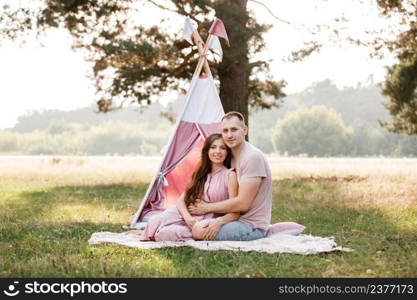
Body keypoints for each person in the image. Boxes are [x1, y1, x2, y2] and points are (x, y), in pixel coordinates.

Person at [137, 133, 239, 242]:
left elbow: (235, 212)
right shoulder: (201, 172)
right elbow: (181, 200)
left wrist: (217, 221)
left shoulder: (230, 175)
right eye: (213, 147)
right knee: (154, 221)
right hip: (184, 214)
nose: (217, 152)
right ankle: (148, 232)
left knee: (164, 234)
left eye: (222, 148)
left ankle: (156, 233)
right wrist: (188, 217)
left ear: (227, 152)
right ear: (207, 151)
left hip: (203, 221)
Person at [188, 111, 272, 241]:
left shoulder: (252, 158)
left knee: (199, 232)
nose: (229, 135)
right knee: (192, 225)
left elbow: (243, 203)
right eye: (225, 131)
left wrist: (207, 208)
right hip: (232, 217)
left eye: (234, 129)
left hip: (250, 225)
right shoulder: (229, 157)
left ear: (244, 130)